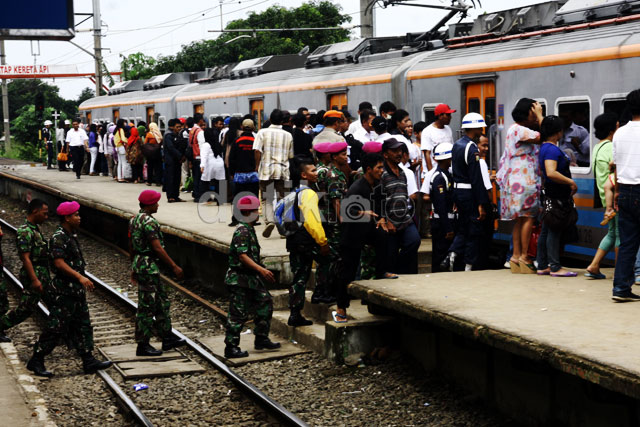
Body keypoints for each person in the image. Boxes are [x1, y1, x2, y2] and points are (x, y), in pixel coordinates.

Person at [27, 201, 112, 377]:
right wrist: (80, 277)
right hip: (65, 291)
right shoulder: (59, 237)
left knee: (83, 325)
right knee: (56, 327)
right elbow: (59, 263)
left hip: (75, 291)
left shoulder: (70, 235)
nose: (79, 218)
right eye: (76, 215)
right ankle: (37, 359)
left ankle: (88, 359)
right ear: (67, 218)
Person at [334, 153, 392, 323]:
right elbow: (346, 211)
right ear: (368, 169)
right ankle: (341, 309)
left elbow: (381, 204)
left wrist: (382, 219)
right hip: (352, 233)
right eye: (379, 168)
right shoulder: (357, 188)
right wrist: (362, 212)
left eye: (382, 167)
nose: (382, 171)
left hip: (367, 229)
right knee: (347, 271)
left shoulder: (378, 185)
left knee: (383, 236)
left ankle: (382, 271)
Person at [129, 190, 186, 355]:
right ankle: (142, 345)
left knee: (161, 302)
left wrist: (133, 266)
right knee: (147, 307)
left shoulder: (134, 219)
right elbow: (157, 248)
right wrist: (174, 266)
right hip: (148, 267)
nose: (158, 205)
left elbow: (131, 244)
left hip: (142, 265)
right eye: (155, 202)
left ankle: (167, 337)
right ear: (149, 205)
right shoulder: (149, 222)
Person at [224, 195, 280, 358]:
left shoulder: (249, 229)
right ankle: (231, 347)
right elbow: (242, 256)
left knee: (265, 302)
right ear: (249, 212)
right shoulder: (242, 231)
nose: (258, 213)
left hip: (250, 278)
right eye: (256, 210)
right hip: (239, 279)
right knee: (238, 313)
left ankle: (261, 338)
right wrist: (261, 270)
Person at [496, 99, 544, 274]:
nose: (535, 115)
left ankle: (515, 256)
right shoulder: (520, 129)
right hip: (525, 179)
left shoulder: (513, 129)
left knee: (520, 219)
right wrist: (541, 116)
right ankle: (525, 256)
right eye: (533, 111)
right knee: (528, 218)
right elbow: (546, 136)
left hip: (518, 179)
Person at [286, 157, 331, 326]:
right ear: (304, 175)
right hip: (306, 240)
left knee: (299, 277)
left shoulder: (294, 191)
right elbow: (312, 221)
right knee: (331, 260)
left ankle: (295, 313)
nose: (316, 173)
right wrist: (323, 242)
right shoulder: (308, 193)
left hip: (294, 240)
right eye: (313, 171)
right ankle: (321, 292)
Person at [445, 113, 490, 272]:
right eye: (480, 127)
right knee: (474, 229)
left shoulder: (457, 145)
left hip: (458, 192)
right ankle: (468, 265)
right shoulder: (471, 148)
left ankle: (452, 253)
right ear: (474, 128)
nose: (481, 130)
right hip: (469, 193)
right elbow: (476, 178)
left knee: (463, 227)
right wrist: (481, 203)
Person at [0, 200, 50, 341]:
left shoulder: (35, 228)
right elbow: (25, 258)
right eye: (44, 213)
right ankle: (2, 324)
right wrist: (34, 280)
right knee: (26, 308)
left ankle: (66, 336)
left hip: (43, 275)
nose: (46, 217)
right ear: (35, 211)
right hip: (34, 275)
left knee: (57, 305)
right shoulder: (25, 231)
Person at [536, 116, 578, 277]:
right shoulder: (552, 150)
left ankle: (542, 265)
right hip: (557, 194)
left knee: (546, 229)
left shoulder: (545, 147)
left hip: (551, 192)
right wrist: (571, 182)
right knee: (554, 229)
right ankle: (554, 266)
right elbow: (551, 172)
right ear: (558, 131)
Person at [374, 138, 421, 274]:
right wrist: (386, 219)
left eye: (400, 150)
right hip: (389, 221)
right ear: (385, 154)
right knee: (390, 256)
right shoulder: (382, 174)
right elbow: (378, 199)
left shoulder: (402, 172)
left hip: (404, 218)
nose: (399, 153)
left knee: (414, 241)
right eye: (394, 151)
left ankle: (402, 271)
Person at [612, 90, 640, 302]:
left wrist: (617, 191)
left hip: (625, 190)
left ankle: (621, 288)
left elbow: (616, 165)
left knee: (628, 243)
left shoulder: (619, 133)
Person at [313, 141, 348, 303]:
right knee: (332, 257)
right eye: (343, 155)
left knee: (328, 258)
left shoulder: (329, 172)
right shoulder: (333, 175)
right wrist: (342, 221)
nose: (346, 157)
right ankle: (325, 291)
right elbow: (336, 201)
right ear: (334, 157)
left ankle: (323, 290)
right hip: (333, 221)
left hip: (327, 219)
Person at [586, 113, 619, 279]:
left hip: (604, 195)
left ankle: (594, 265)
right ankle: (621, 271)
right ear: (612, 130)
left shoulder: (597, 147)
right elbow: (616, 169)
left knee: (612, 233)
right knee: (620, 235)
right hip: (614, 194)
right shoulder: (610, 147)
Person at [253, 109, 294, 238]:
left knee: (267, 198)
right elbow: (290, 155)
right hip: (283, 171)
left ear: (270, 119)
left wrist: (257, 166)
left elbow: (257, 151)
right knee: (284, 199)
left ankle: (270, 221)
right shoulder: (288, 135)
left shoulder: (262, 132)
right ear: (282, 121)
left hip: (266, 170)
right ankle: (283, 229)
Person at [428, 143, 455, 273]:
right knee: (440, 256)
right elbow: (441, 205)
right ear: (446, 159)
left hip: (444, 221)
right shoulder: (439, 177)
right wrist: (448, 228)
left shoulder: (446, 174)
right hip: (441, 223)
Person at [229, 119, 259, 225]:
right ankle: (252, 219)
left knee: (238, 197)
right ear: (253, 128)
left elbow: (232, 158)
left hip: (239, 175)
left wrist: (231, 172)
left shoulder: (237, 141)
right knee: (253, 197)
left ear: (242, 127)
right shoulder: (255, 141)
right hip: (253, 174)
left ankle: (236, 219)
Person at [422, 104, 455, 172]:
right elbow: (427, 154)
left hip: (448, 170)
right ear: (440, 116)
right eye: (448, 115)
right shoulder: (427, 131)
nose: (450, 117)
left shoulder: (448, 129)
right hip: (434, 170)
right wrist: (431, 173)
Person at [199, 119, 226, 204]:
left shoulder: (206, 144)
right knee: (219, 181)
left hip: (210, 164)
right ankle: (221, 199)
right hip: (219, 163)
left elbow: (204, 156)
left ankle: (205, 198)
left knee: (205, 181)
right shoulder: (217, 143)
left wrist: (202, 166)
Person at [163, 119, 185, 203]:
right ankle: (170, 196)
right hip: (170, 160)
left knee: (177, 178)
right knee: (170, 178)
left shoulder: (177, 135)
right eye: (177, 127)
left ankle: (176, 196)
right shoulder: (168, 135)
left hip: (177, 160)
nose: (179, 128)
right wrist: (180, 155)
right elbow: (171, 148)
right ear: (172, 127)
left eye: (180, 127)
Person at [190, 114, 206, 201]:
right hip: (199, 156)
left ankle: (196, 194)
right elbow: (202, 145)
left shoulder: (192, 130)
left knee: (195, 176)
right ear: (200, 120)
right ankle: (199, 195)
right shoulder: (200, 131)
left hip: (194, 156)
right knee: (199, 177)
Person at [143, 122, 163, 186]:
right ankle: (158, 182)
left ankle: (149, 181)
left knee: (150, 168)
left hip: (150, 154)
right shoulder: (159, 134)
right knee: (158, 168)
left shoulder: (149, 134)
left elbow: (145, 143)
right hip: (158, 153)